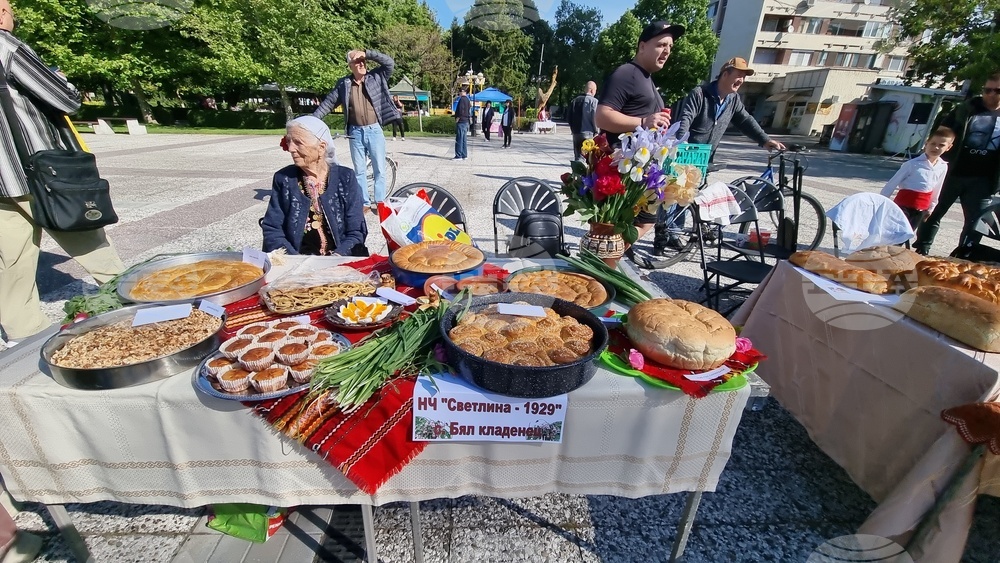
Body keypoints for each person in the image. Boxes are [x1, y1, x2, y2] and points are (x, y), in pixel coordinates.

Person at [0, 0, 125, 342]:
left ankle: (22, 336)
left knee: (12, 260)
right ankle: (134, 306)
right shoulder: (6, 46)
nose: (14, 17)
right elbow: (64, 99)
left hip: (1, 180)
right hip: (40, 171)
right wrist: (60, 80)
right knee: (91, 242)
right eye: (11, 10)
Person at [653, 56, 785, 254]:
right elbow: (686, 118)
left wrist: (764, 140)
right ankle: (664, 234)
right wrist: (681, 142)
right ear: (725, 74)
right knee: (674, 195)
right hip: (686, 153)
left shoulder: (733, 100)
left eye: (744, 77)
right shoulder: (700, 94)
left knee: (689, 196)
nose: (741, 80)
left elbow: (746, 121)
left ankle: (675, 234)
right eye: (738, 75)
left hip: (705, 157)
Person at [596, 20, 683, 244]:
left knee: (641, 223)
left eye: (670, 47)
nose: (667, 51)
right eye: (661, 44)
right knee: (613, 226)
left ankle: (610, 263)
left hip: (640, 171)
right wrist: (644, 121)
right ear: (642, 46)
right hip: (622, 169)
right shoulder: (627, 73)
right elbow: (602, 115)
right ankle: (604, 265)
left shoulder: (647, 78)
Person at [913, 72, 1000, 255]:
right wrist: (932, 156)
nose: (991, 94)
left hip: (984, 179)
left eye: (997, 90)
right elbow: (942, 133)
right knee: (933, 211)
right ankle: (922, 249)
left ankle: (964, 255)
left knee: (975, 221)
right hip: (951, 172)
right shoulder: (966, 108)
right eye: (987, 90)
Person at [263, 116, 368, 257]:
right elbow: (272, 229)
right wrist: (296, 261)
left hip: (340, 262)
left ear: (321, 147)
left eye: (298, 142)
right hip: (296, 262)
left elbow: (356, 231)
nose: (291, 148)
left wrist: (336, 258)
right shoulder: (284, 179)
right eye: (289, 142)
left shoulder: (346, 177)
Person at [313, 48, 400, 211]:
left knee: (379, 168)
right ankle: (364, 202)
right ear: (350, 65)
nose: (361, 63)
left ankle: (380, 202)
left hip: (374, 130)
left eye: (363, 61)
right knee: (359, 170)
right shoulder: (344, 84)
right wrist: (311, 121)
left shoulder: (376, 76)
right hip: (355, 133)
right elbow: (328, 104)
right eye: (357, 61)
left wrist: (367, 53)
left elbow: (389, 63)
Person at [880, 127, 955, 230]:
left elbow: (937, 188)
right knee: (894, 232)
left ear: (948, 147)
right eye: (933, 143)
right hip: (903, 205)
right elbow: (892, 184)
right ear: (926, 143)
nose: (936, 147)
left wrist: (931, 207)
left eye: (941, 145)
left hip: (921, 208)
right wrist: (881, 202)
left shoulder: (943, 166)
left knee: (908, 233)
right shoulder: (912, 164)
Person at [568, 81, 598, 161]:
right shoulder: (594, 101)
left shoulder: (574, 101)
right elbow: (594, 117)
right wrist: (596, 131)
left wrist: (573, 129)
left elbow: (569, 117)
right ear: (592, 90)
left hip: (576, 133)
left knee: (577, 156)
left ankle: (576, 172)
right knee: (587, 158)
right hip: (588, 133)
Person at [454, 88, 471, 159]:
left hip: (461, 121)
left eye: (460, 92)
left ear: (463, 92)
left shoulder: (462, 100)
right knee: (464, 139)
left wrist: (458, 118)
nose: (459, 93)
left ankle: (459, 155)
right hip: (466, 121)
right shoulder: (467, 100)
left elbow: (461, 110)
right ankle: (464, 154)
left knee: (459, 139)